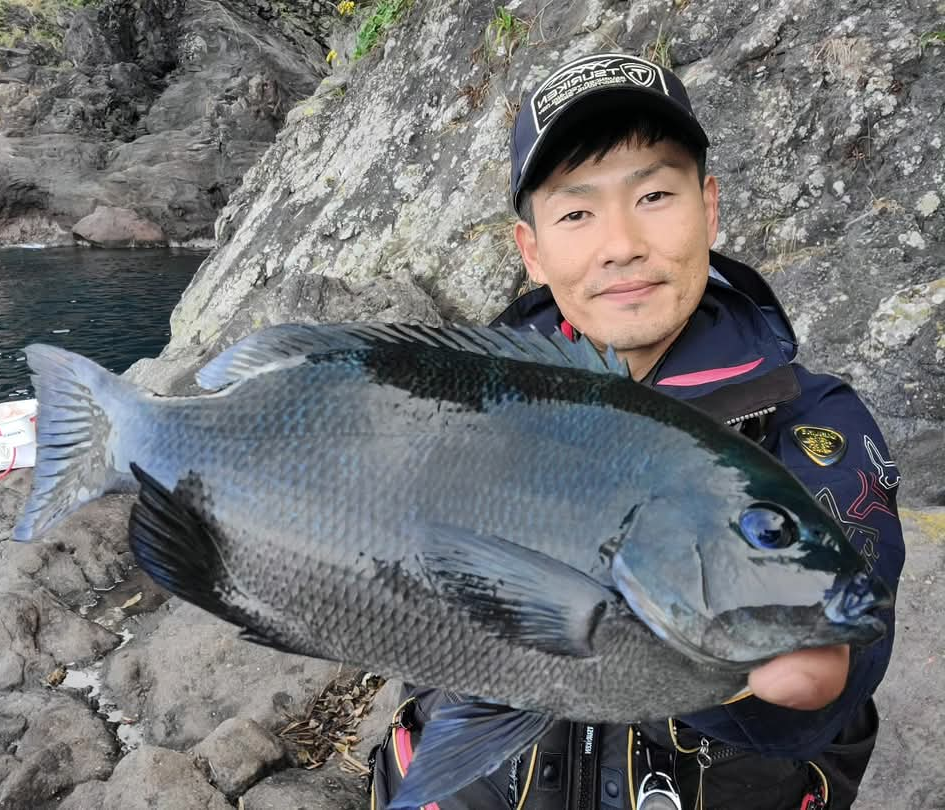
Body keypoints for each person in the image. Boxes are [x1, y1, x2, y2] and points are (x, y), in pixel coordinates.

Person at [368, 52, 905, 810]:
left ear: (709, 209)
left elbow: (837, 652)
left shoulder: (815, 421)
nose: (620, 243)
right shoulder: (466, 409)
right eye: (577, 212)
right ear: (533, 251)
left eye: (654, 194)